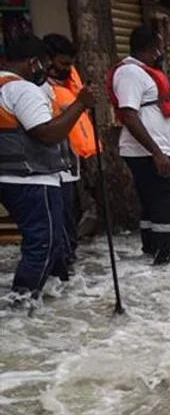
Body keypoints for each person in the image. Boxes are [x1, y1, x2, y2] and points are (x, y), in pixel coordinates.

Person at [0, 34, 95, 300]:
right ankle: (23, 302)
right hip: (33, 179)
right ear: (33, 63)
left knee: (44, 241)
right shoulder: (23, 90)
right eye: (42, 63)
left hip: (9, 178)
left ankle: (52, 296)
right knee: (45, 242)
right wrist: (80, 105)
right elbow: (46, 133)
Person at [107, 25, 170, 265]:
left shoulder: (142, 72)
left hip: (152, 150)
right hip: (146, 152)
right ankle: (163, 255)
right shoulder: (130, 74)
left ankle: (153, 251)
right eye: (159, 48)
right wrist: (157, 153)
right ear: (151, 49)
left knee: (154, 202)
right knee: (167, 202)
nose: (161, 53)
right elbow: (128, 114)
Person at [42, 33, 98, 270]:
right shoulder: (40, 90)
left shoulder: (70, 87)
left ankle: (68, 263)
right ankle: (62, 265)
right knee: (60, 221)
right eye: (63, 64)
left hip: (70, 164)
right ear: (48, 60)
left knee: (70, 216)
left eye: (69, 64)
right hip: (52, 168)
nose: (67, 69)